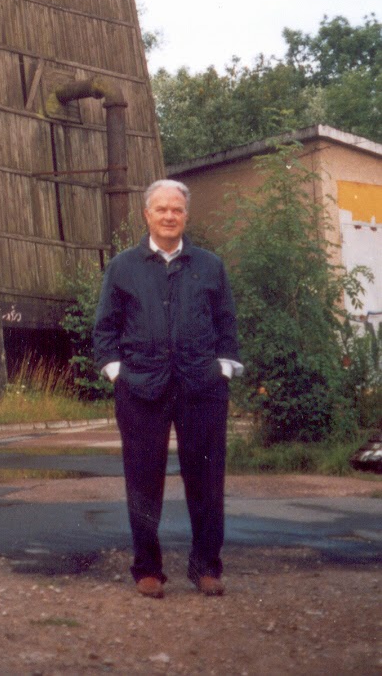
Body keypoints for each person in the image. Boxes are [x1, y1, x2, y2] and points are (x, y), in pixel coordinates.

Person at [93, 178, 242, 598]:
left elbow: (227, 324)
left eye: (176, 209)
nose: (169, 216)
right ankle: (147, 569)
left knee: (207, 479)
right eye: (161, 209)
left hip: (202, 387)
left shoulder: (210, 266)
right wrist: (116, 372)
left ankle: (207, 566)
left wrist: (223, 370)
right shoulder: (123, 266)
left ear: (186, 216)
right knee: (142, 481)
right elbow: (105, 327)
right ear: (147, 215)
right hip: (141, 387)